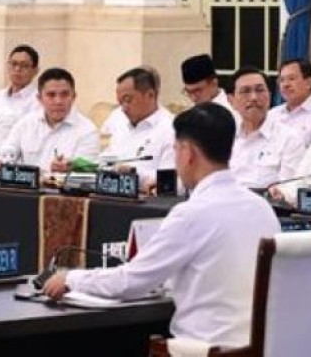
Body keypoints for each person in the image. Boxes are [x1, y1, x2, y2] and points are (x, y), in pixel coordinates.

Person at [42, 103, 280, 349]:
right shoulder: (262, 209)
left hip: (202, 351)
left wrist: (70, 278)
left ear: (188, 153)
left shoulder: (192, 214)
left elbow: (130, 282)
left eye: (175, 149)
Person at [0, 67, 98, 173]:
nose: (58, 101)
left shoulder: (87, 130)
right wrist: (1, 161)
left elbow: (87, 170)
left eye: (64, 95)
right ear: (39, 98)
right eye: (51, 95)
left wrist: (71, 167)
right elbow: (8, 151)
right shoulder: (25, 124)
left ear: (74, 97)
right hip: (25, 188)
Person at [100, 67, 177, 192]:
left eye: (128, 100)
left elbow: (170, 180)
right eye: (120, 102)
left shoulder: (171, 129)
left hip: (147, 204)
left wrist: (135, 174)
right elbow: (105, 161)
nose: (123, 108)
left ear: (150, 95)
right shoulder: (118, 121)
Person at [228, 67, 307, 189]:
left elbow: (289, 190)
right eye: (245, 91)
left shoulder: (289, 139)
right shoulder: (224, 138)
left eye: (260, 90)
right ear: (231, 100)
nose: (254, 97)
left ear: (269, 96)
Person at [268, 58, 311, 148]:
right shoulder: (272, 114)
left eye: (291, 79)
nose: (286, 84)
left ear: (309, 83)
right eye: (282, 80)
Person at [0, 44, 42, 120]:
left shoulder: (39, 100)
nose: (17, 69)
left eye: (24, 65)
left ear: (35, 71)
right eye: (13, 64)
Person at [180, 54, 239, 118]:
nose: (193, 98)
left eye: (197, 91)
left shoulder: (234, 111)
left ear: (214, 83)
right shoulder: (189, 113)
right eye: (188, 92)